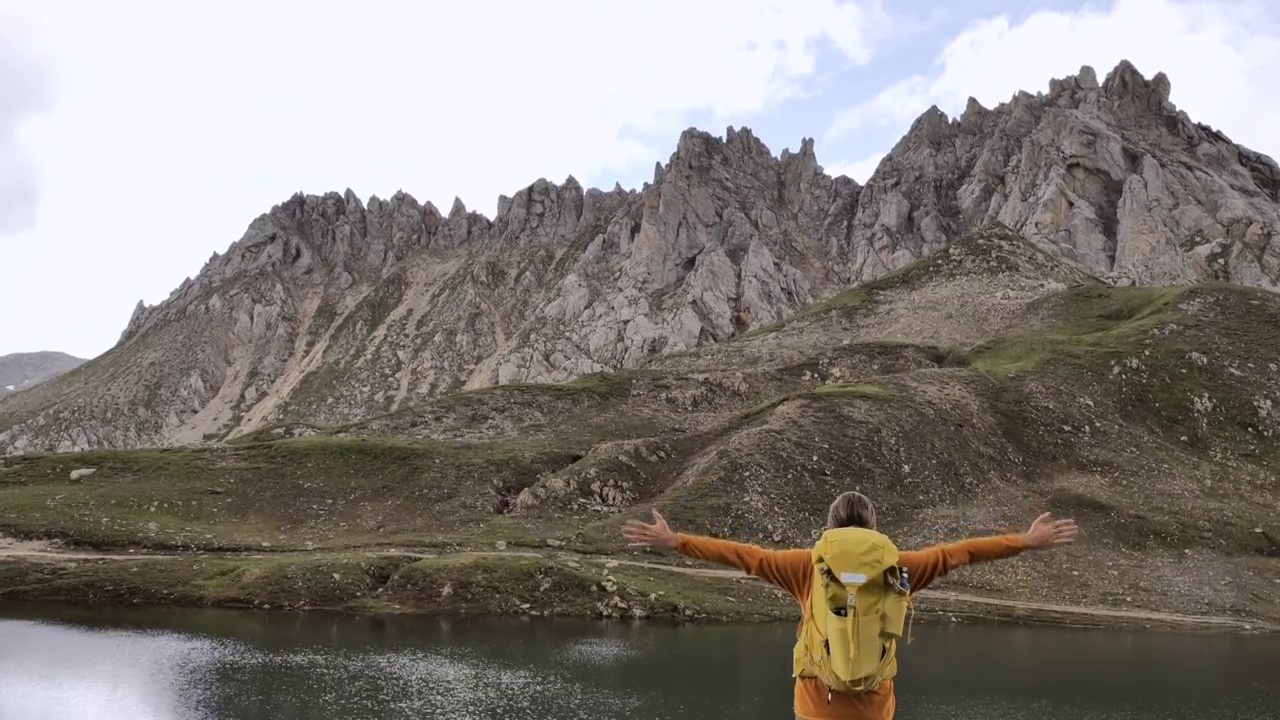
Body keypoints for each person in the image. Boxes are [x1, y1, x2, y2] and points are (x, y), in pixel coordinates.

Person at [621, 490, 1079, 720]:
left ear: (830, 526)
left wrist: (675, 540)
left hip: (817, 706)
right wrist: (1025, 540)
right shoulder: (899, 567)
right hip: (873, 707)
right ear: (874, 526)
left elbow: (745, 556)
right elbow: (960, 553)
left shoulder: (807, 566)